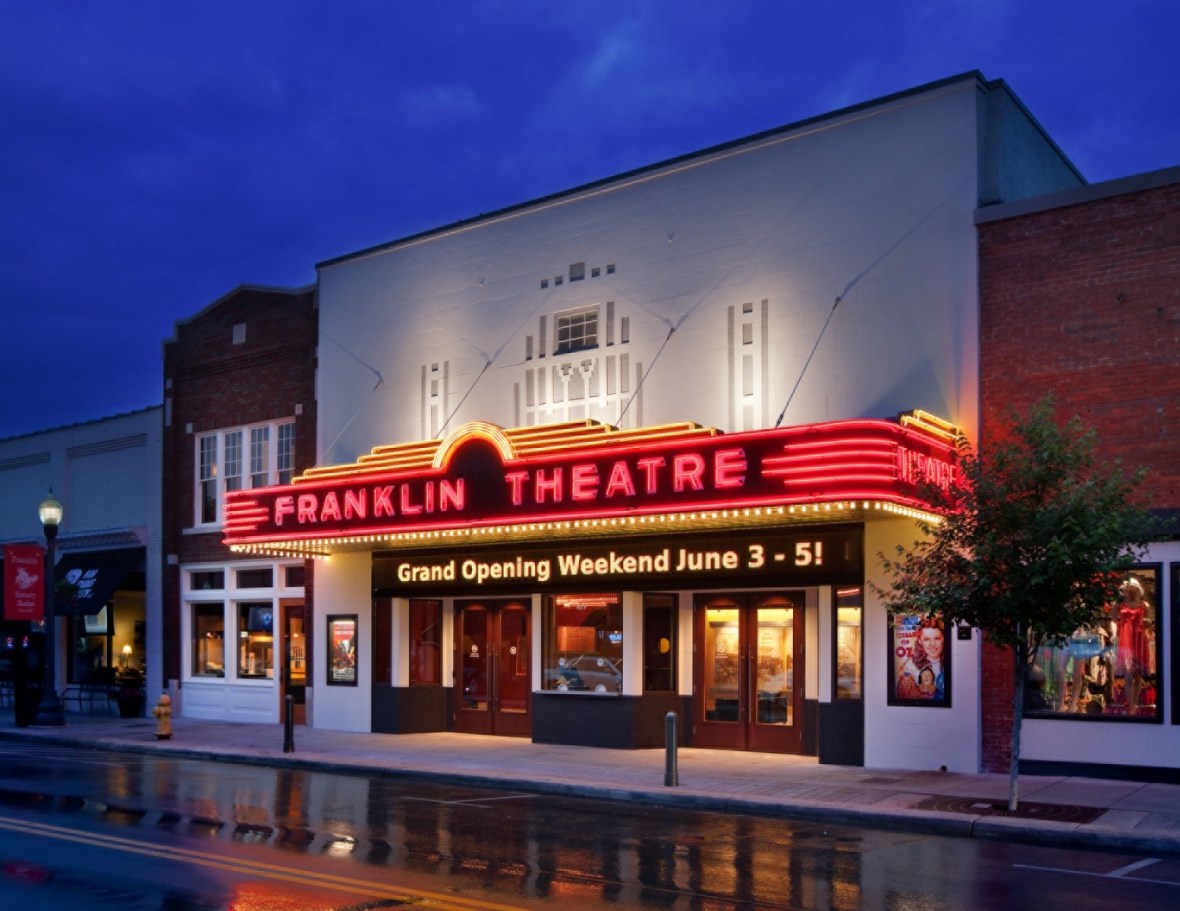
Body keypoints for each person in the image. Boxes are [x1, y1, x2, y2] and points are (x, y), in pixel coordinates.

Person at [896, 617, 945, 701]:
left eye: (937, 638)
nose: (932, 644)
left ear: (943, 639)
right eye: (926, 639)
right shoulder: (910, 666)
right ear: (920, 641)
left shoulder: (949, 663)